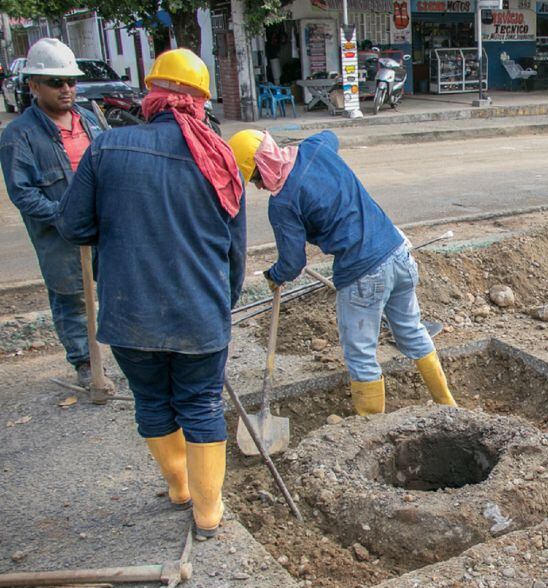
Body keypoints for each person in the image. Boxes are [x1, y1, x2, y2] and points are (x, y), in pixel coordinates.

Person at [57, 49, 245, 540]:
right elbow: (235, 254)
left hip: (128, 311)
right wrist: (220, 307)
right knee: (201, 404)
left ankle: (179, 489)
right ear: (201, 102)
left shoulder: (106, 148)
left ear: (152, 95)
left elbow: (75, 226)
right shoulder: (220, 159)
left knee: (153, 401)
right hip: (199, 312)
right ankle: (207, 514)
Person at [227, 129, 456, 417]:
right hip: (398, 253)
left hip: (362, 272)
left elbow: (293, 263)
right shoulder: (314, 148)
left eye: (255, 178)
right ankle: (448, 405)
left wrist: (275, 276)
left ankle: (373, 430)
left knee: (361, 355)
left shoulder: (283, 203)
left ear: (261, 168)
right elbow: (330, 135)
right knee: (412, 331)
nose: (259, 186)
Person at [0, 38, 113, 391]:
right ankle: (85, 363)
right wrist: (67, 217)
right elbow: (23, 194)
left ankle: (116, 356)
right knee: (71, 297)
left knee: (112, 288)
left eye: (71, 82)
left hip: (102, 226)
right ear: (34, 85)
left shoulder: (90, 120)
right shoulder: (20, 136)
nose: (66, 89)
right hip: (60, 234)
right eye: (56, 82)